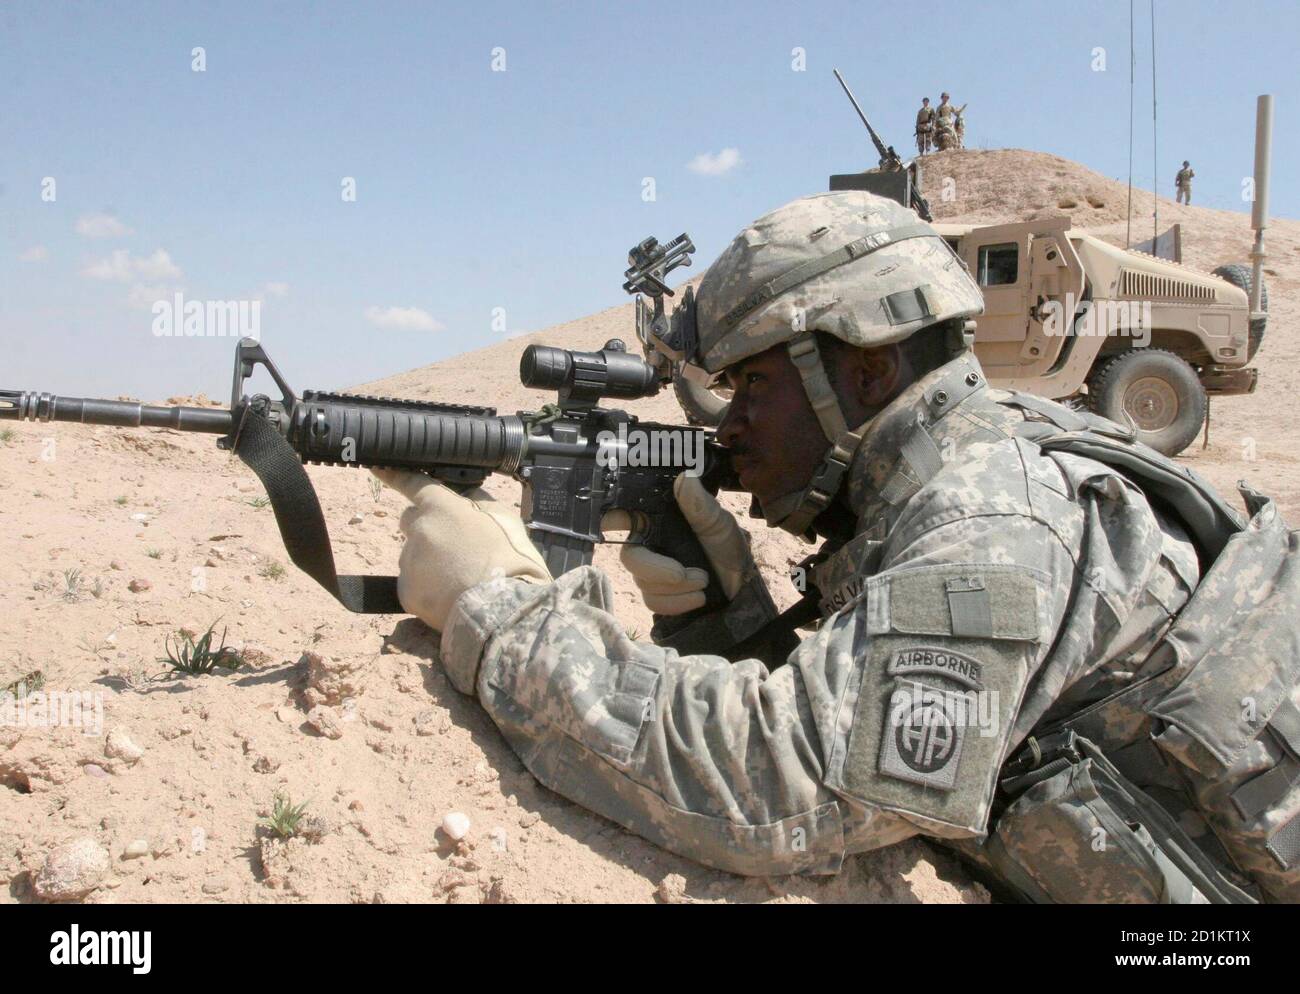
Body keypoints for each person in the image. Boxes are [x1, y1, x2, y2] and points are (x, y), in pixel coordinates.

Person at [375, 190, 1300, 903]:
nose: (730, 426)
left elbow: (789, 787)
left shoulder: (994, 522)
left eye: (752, 389)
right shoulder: (963, 458)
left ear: (864, 369)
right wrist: (726, 618)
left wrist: (496, 609)